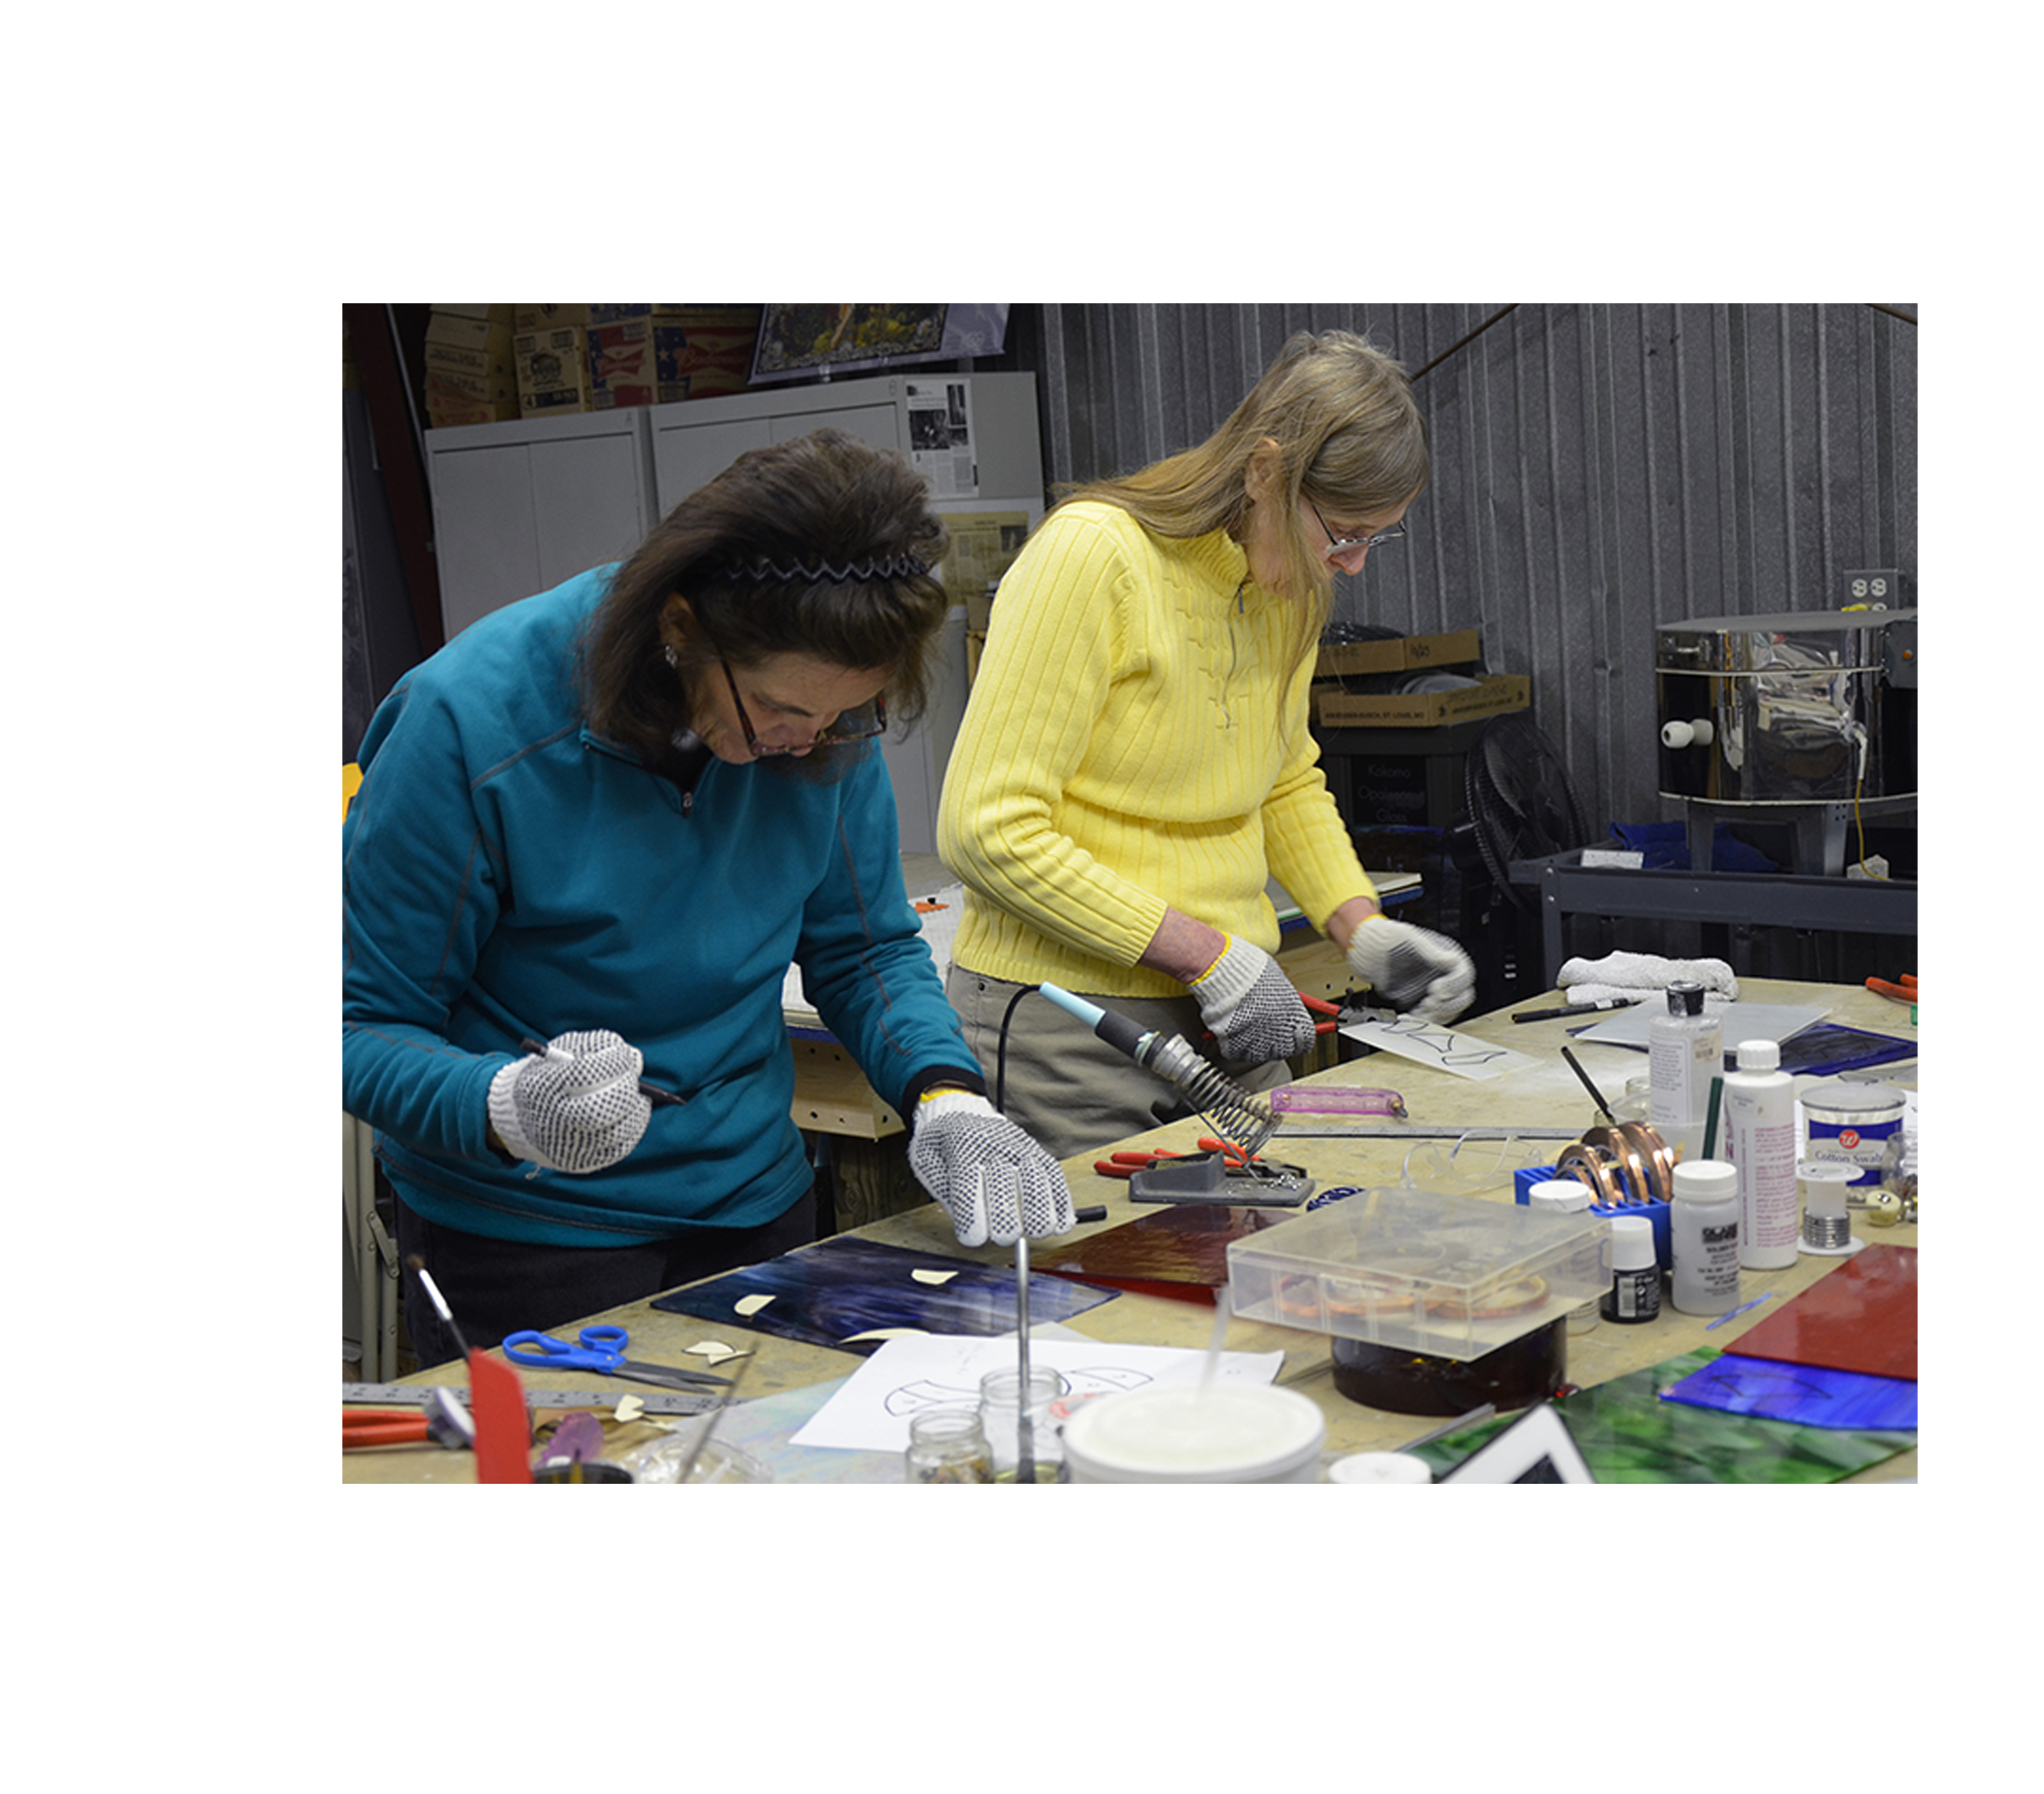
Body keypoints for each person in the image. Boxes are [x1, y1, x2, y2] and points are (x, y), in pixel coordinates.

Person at [344, 429, 1071, 1367]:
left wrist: (944, 1091)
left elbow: (865, 948)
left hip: (756, 1204)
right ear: (680, 626)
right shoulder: (467, 725)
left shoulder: (823, 723)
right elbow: (360, 1025)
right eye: (779, 710)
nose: (809, 744)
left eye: (845, 715)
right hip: (529, 1237)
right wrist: (503, 1104)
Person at [936, 330, 1478, 1161]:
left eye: (1380, 536)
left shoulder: (1287, 586)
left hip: (1231, 1012)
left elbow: (1283, 779)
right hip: (1071, 1026)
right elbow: (986, 828)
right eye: (1344, 532)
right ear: (1264, 471)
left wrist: (1358, 924)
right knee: (1117, 1271)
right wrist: (1205, 954)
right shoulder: (1092, 557)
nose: (1356, 565)